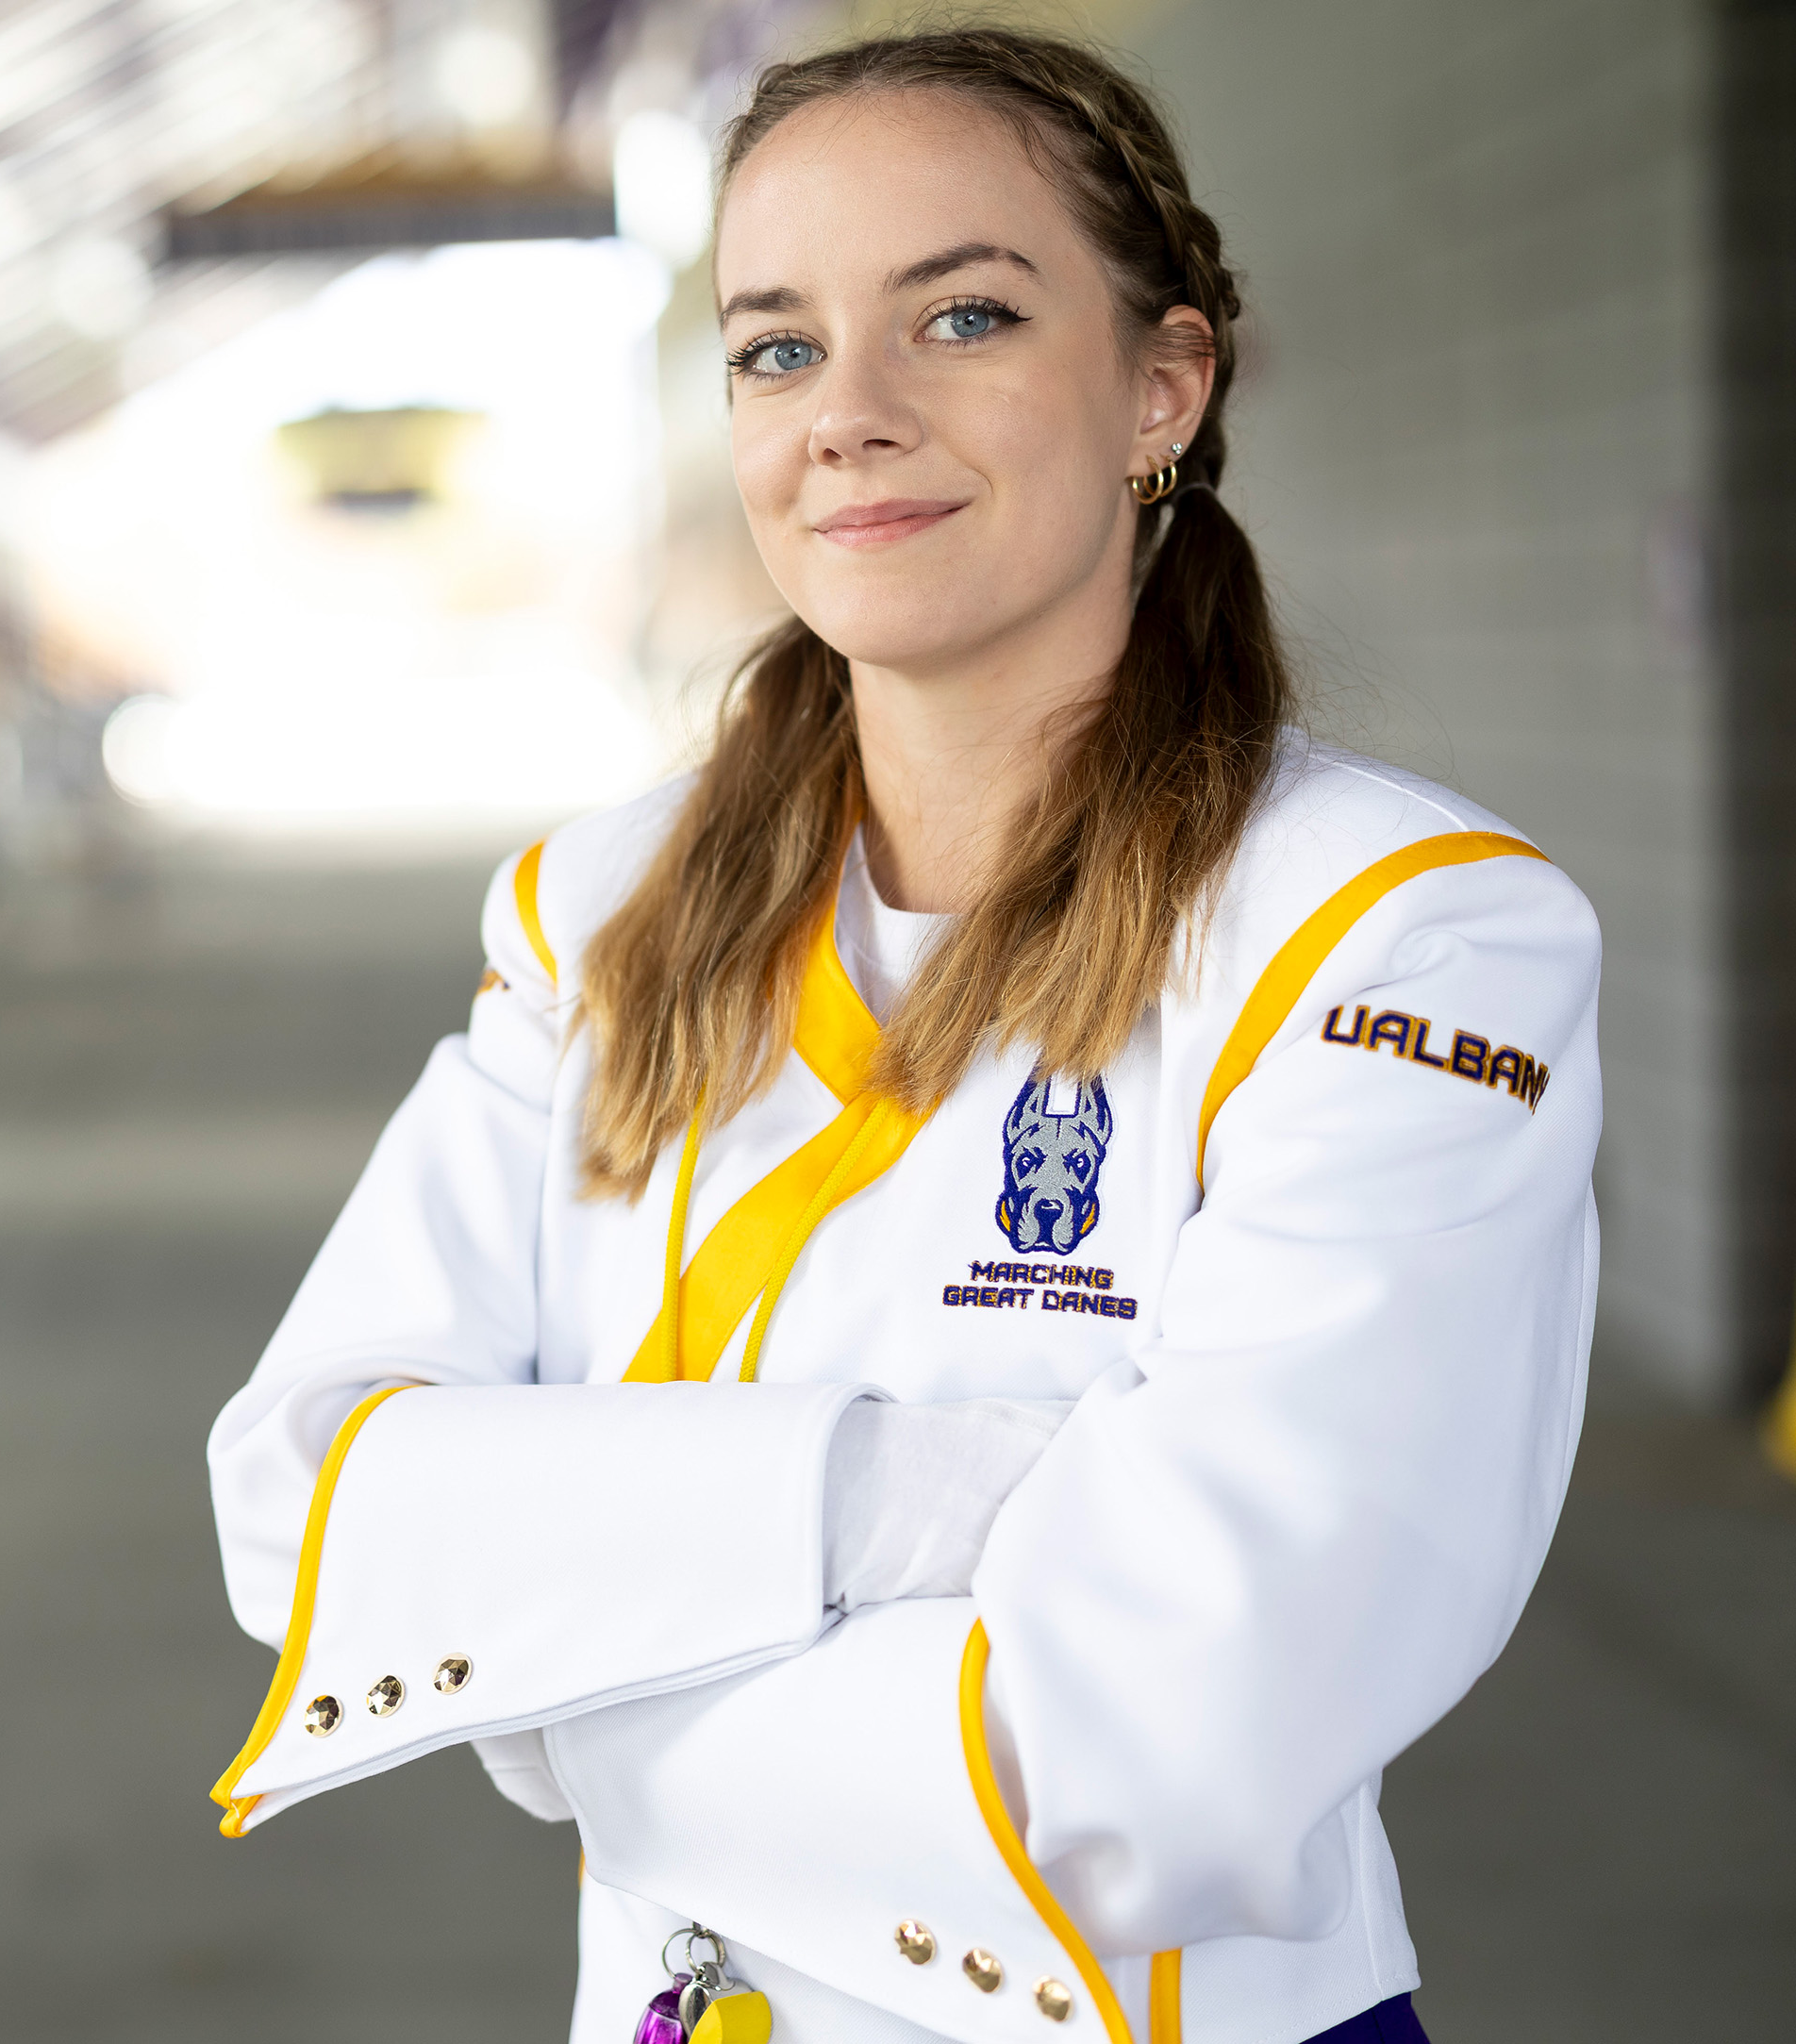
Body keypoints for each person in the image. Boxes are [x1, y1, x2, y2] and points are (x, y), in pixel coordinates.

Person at [205, 26, 1600, 2044]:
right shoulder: (592, 921)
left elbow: (1166, 1747)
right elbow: (298, 1493)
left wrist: (537, 1645)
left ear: (1160, 387)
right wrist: (900, 1495)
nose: (844, 415)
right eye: (775, 347)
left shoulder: (1398, 941)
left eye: (957, 316)